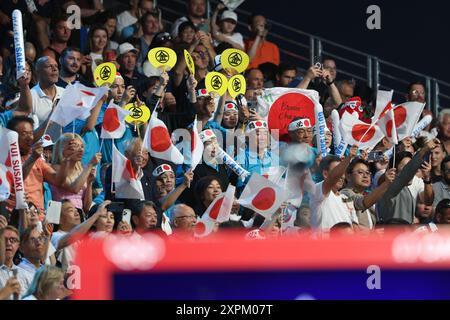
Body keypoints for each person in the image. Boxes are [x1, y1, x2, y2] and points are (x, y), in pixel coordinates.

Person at [6, 116, 65, 215]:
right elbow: (17, 179)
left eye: (31, 133)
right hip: (14, 217)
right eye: (24, 134)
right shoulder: (4, 159)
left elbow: (58, 180)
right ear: (11, 136)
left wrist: (67, 161)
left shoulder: (38, 160)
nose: (30, 137)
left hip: (38, 217)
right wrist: (32, 158)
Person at [377, 139, 437, 224]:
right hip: (390, 231)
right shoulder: (388, 183)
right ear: (395, 170)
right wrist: (424, 149)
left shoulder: (413, 183)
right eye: (406, 167)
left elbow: (428, 201)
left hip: (406, 232)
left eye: (412, 168)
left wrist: (427, 179)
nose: (411, 171)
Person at [310, 146, 359, 231]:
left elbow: (355, 229)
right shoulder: (317, 190)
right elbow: (332, 179)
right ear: (325, 174)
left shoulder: (346, 199)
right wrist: (349, 158)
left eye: (343, 172)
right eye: (338, 171)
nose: (341, 176)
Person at [51, 133, 101, 214]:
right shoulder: (55, 168)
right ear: (63, 149)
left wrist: (89, 184)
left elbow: (86, 208)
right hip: (61, 216)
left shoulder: (82, 170)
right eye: (76, 146)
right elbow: (75, 189)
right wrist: (90, 165)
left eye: (82, 146)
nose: (81, 150)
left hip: (79, 216)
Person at [341, 157, 396, 229]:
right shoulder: (345, 194)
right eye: (360, 172)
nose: (365, 176)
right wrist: (386, 183)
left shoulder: (367, 195)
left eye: (367, 173)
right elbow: (362, 203)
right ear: (348, 176)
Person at [28, 56, 65, 138]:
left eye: (56, 66)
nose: (54, 69)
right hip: (40, 149)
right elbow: (28, 137)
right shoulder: (30, 97)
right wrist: (49, 121)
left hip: (62, 148)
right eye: (49, 66)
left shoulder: (65, 93)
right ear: (38, 72)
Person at [0, 226, 32, 299]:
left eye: (12, 240)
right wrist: (4, 293)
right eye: (4, 240)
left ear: (18, 245)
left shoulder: (26, 275)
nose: (8, 243)